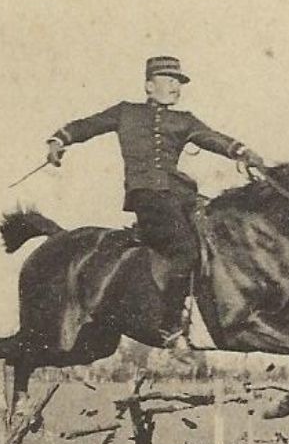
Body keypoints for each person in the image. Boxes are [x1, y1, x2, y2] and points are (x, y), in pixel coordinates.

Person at [45, 55, 264, 347]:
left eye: (179, 82)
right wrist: (59, 140)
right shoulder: (125, 113)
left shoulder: (184, 120)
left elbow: (211, 137)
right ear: (149, 85)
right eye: (170, 80)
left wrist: (241, 151)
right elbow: (89, 125)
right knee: (185, 249)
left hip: (181, 197)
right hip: (147, 198)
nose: (176, 87)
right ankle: (171, 326)